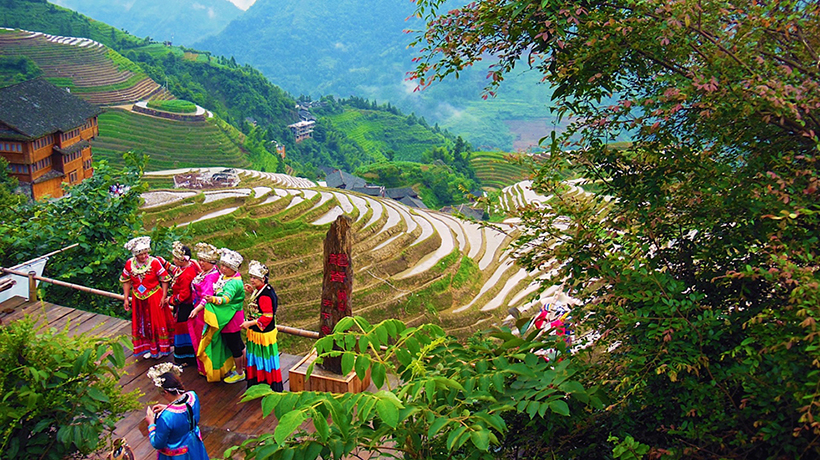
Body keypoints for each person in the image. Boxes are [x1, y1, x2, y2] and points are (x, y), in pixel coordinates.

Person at [197, 248, 246, 384]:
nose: (223, 269)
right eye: (222, 265)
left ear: (234, 268)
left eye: (227, 267)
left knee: (234, 345)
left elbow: (226, 299)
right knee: (238, 344)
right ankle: (245, 367)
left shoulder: (234, 283)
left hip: (231, 318)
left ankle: (240, 372)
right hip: (227, 315)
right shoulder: (226, 277)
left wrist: (212, 299)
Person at [121, 236, 173, 359]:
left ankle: (160, 348)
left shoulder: (154, 262)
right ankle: (149, 347)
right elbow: (126, 281)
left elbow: (164, 279)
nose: (144, 256)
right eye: (141, 254)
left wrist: (164, 295)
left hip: (154, 295)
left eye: (145, 253)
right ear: (136, 255)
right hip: (138, 298)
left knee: (156, 322)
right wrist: (126, 298)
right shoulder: (130, 264)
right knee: (143, 322)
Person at [144, 362, 209, 459]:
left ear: (165, 392)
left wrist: (151, 424)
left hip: (177, 455)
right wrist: (168, 407)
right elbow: (185, 412)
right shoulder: (192, 396)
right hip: (194, 444)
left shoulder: (166, 418)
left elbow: (158, 443)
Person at [242, 260, 284, 391]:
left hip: (261, 334)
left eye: (255, 278)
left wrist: (250, 323)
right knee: (259, 356)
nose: (252, 280)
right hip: (257, 332)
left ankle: (263, 382)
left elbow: (267, 316)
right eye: (251, 277)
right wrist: (251, 292)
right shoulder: (262, 289)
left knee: (262, 357)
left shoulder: (265, 295)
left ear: (263, 278)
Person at [166, 242, 201, 367]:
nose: (174, 260)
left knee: (183, 329)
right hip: (183, 305)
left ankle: (186, 357)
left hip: (185, 306)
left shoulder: (187, 274)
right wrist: (165, 264)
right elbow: (175, 271)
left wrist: (170, 300)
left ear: (182, 259)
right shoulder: (187, 267)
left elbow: (184, 295)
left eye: (176, 258)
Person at [188, 243, 221, 376]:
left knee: (205, 338)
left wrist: (197, 310)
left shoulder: (211, 276)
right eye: (200, 260)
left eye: (204, 261)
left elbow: (207, 296)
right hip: (198, 308)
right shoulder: (206, 272)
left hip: (204, 312)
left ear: (211, 262)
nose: (201, 263)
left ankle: (209, 368)